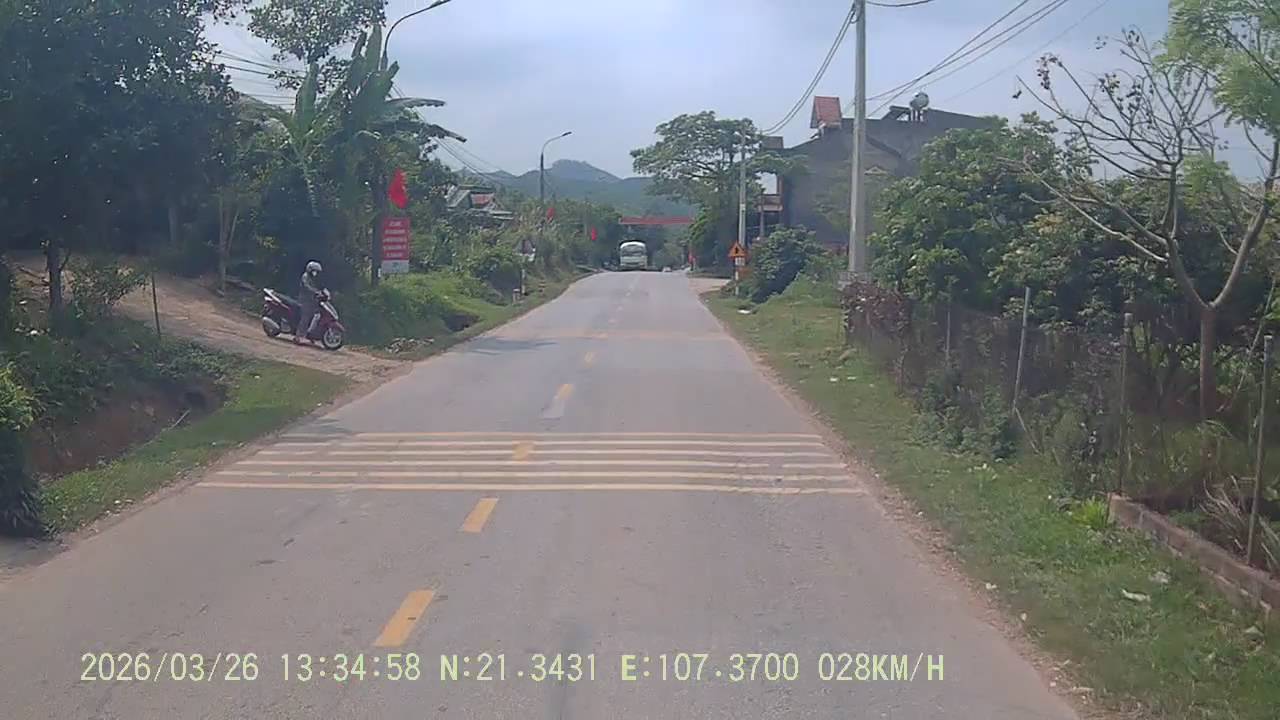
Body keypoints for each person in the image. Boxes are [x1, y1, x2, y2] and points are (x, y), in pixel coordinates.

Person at [295, 261, 323, 344]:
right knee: (305, 317)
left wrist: (321, 291)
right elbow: (307, 286)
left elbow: (316, 287)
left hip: (310, 300)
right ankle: (297, 336)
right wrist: (316, 292)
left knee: (315, 316)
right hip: (304, 300)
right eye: (314, 271)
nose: (315, 273)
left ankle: (310, 335)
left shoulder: (312, 278)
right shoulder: (305, 276)